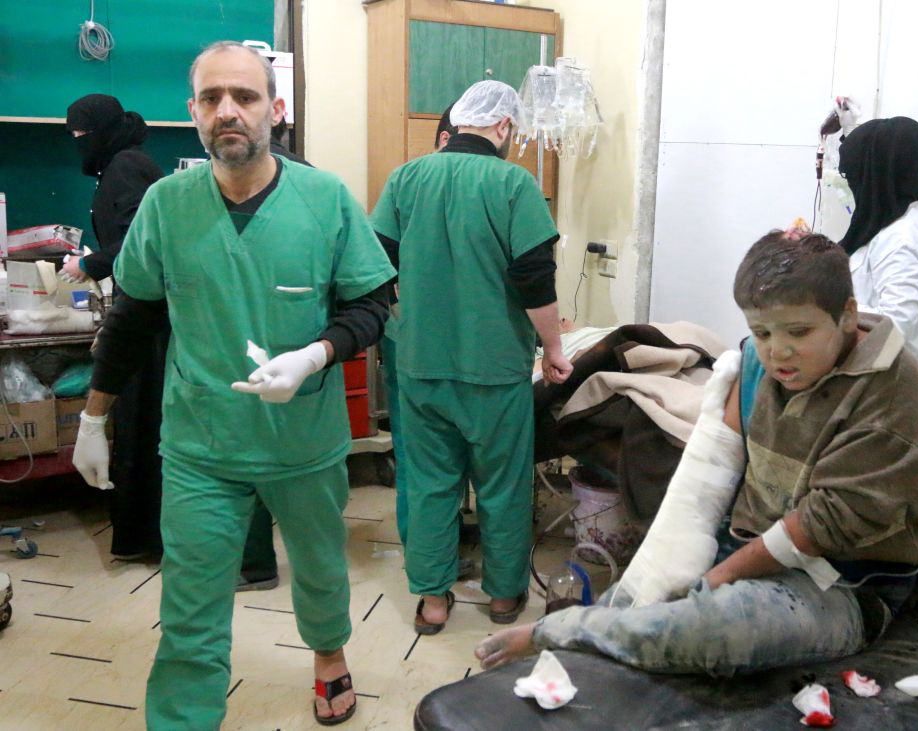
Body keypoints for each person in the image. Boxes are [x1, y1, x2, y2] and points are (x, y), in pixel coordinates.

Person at [71, 41, 395, 728]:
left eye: (244, 97)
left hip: (303, 440)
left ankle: (329, 652)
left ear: (274, 110)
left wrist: (313, 356)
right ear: (192, 112)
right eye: (212, 98)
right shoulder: (166, 205)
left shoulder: (325, 199)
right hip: (201, 444)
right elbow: (132, 317)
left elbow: (371, 305)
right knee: (188, 608)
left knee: (319, 572)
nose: (228, 111)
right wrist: (92, 418)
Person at [476, 231, 918, 676]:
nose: (779, 353)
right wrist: (669, 578)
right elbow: (710, 474)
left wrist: (715, 581)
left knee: (716, 629)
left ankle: (561, 632)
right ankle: (593, 628)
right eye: (763, 333)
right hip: (753, 545)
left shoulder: (892, 389)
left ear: (847, 316)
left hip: (846, 585)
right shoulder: (754, 364)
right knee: (646, 594)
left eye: (799, 333)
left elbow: (823, 524)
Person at [369, 80, 572, 635]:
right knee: (503, 484)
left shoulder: (407, 177)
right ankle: (505, 598)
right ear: (504, 127)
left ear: (456, 122)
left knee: (432, 482)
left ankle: (434, 602)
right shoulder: (513, 184)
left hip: (420, 364)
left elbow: (374, 265)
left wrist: (406, 319)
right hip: (495, 369)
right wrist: (554, 350)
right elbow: (535, 279)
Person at [63, 94, 167, 560]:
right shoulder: (124, 163)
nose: (78, 144)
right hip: (140, 309)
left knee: (143, 424)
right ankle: (141, 534)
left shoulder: (125, 166)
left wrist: (90, 263)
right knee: (139, 422)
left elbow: (136, 242)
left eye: (82, 135)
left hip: (147, 317)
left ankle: (148, 536)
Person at [382, 103, 476, 576]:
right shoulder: (410, 183)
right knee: (421, 456)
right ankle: (424, 551)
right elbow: (377, 265)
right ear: (445, 139)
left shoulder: (487, 186)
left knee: (439, 458)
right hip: (414, 342)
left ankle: (437, 549)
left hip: (459, 344)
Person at [237, 115, 316, 593]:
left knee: (254, 464)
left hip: (270, 349)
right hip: (292, 348)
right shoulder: (306, 182)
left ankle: (255, 564)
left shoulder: (298, 188)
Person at [837, 116, 918, 361]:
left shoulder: (900, 237)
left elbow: (895, 325)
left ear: (877, 175)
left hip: (879, 382)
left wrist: (825, 305)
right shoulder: (907, 214)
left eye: (856, 175)